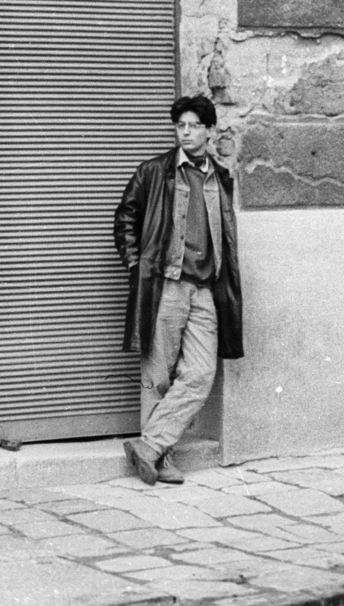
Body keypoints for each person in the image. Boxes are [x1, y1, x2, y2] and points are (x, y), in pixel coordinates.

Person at [113, 94, 244, 485]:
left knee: (201, 373)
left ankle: (149, 445)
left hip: (205, 289)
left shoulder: (220, 176)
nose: (185, 133)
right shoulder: (154, 171)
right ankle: (160, 457)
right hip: (167, 285)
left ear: (208, 131)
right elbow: (125, 219)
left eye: (192, 126)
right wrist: (139, 267)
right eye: (179, 126)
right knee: (159, 373)